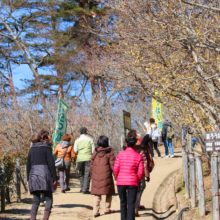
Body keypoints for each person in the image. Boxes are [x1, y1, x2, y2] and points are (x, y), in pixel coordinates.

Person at [27, 130, 57, 220]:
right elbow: (51, 163)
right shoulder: (46, 148)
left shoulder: (31, 150)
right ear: (41, 139)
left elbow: (28, 165)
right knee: (49, 198)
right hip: (45, 175)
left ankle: (32, 218)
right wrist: (54, 178)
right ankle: (45, 218)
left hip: (33, 175)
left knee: (36, 200)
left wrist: (28, 179)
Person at [114, 135, 144, 220]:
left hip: (121, 181)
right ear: (135, 144)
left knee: (123, 202)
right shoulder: (138, 156)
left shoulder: (120, 155)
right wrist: (137, 180)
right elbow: (141, 172)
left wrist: (118, 177)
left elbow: (115, 169)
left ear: (126, 144)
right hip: (133, 182)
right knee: (131, 203)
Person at [90, 136, 116, 218]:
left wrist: (92, 175)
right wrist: (116, 176)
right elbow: (113, 165)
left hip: (96, 176)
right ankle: (107, 209)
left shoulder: (95, 152)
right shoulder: (109, 152)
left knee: (97, 195)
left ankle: (95, 211)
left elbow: (91, 165)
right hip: (107, 176)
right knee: (109, 192)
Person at [127, 130, 150, 217]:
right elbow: (144, 162)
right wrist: (146, 174)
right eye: (137, 135)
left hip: (128, 174)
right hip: (139, 174)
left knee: (129, 191)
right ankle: (136, 209)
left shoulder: (125, 149)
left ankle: (130, 207)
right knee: (138, 191)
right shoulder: (140, 149)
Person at [74, 127, 95, 194]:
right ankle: (85, 189)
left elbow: (75, 150)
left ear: (80, 132)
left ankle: (82, 187)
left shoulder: (77, 140)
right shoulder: (90, 140)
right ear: (86, 132)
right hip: (88, 158)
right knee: (87, 174)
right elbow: (93, 150)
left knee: (81, 173)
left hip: (80, 159)